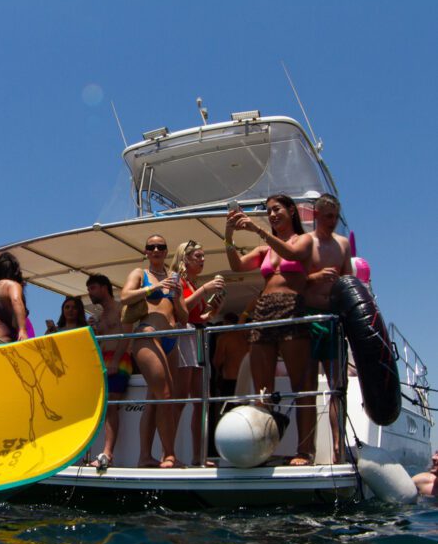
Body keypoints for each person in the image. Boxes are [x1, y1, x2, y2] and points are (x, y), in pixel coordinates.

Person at [225, 194, 315, 466]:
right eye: (269, 212)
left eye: (277, 210)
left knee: (302, 387)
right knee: (263, 390)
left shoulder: (304, 240)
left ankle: (304, 451)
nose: (273, 215)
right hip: (264, 310)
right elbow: (236, 266)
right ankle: (263, 450)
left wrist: (257, 229)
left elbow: (293, 254)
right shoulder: (265, 251)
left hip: (293, 307)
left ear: (291, 210)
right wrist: (229, 233)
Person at [120, 234, 188, 468]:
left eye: (161, 246)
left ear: (166, 251)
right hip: (147, 333)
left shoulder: (174, 278)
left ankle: (145, 457)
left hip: (171, 339)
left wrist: (177, 296)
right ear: (146, 252)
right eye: (152, 246)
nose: (156, 249)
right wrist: (155, 288)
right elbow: (124, 296)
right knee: (165, 397)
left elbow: (184, 316)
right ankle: (168, 455)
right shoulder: (140, 274)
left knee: (156, 400)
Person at [304, 194, 352, 463]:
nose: (332, 222)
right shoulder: (305, 243)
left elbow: (350, 284)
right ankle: (307, 449)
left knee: (337, 386)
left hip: (334, 321)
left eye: (335, 216)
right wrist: (316, 277)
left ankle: (338, 446)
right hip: (309, 319)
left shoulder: (343, 245)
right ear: (316, 215)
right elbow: (294, 281)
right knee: (308, 386)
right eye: (327, 216)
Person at [169, 240, 225, 465]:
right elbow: (180, 311)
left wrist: (213, 309)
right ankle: (169, 453)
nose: (202, 260)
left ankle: (198, 455)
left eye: (203, 256)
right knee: (181, 399)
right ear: (185, 258)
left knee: (202, 400)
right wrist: (204, 290)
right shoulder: (178, 280)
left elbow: (199, 317)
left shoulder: (192, 283)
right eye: (198, 256)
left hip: (197, 335)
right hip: (184, 336)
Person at [86, 274, 131, 470]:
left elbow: (127, 335)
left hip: (119, 361)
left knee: (111, 403)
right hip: (104, 362)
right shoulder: (100, 316)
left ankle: (108, 453)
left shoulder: (122, 308)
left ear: (105, 288)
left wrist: (115, 360)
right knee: (103, 406)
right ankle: (95, 451)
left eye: (93, 288)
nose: (90, 293)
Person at [0, 252, 29, 344]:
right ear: (16, 270)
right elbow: (16, 300)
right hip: (0, 341)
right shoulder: (12, 285)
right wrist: (22, 330)